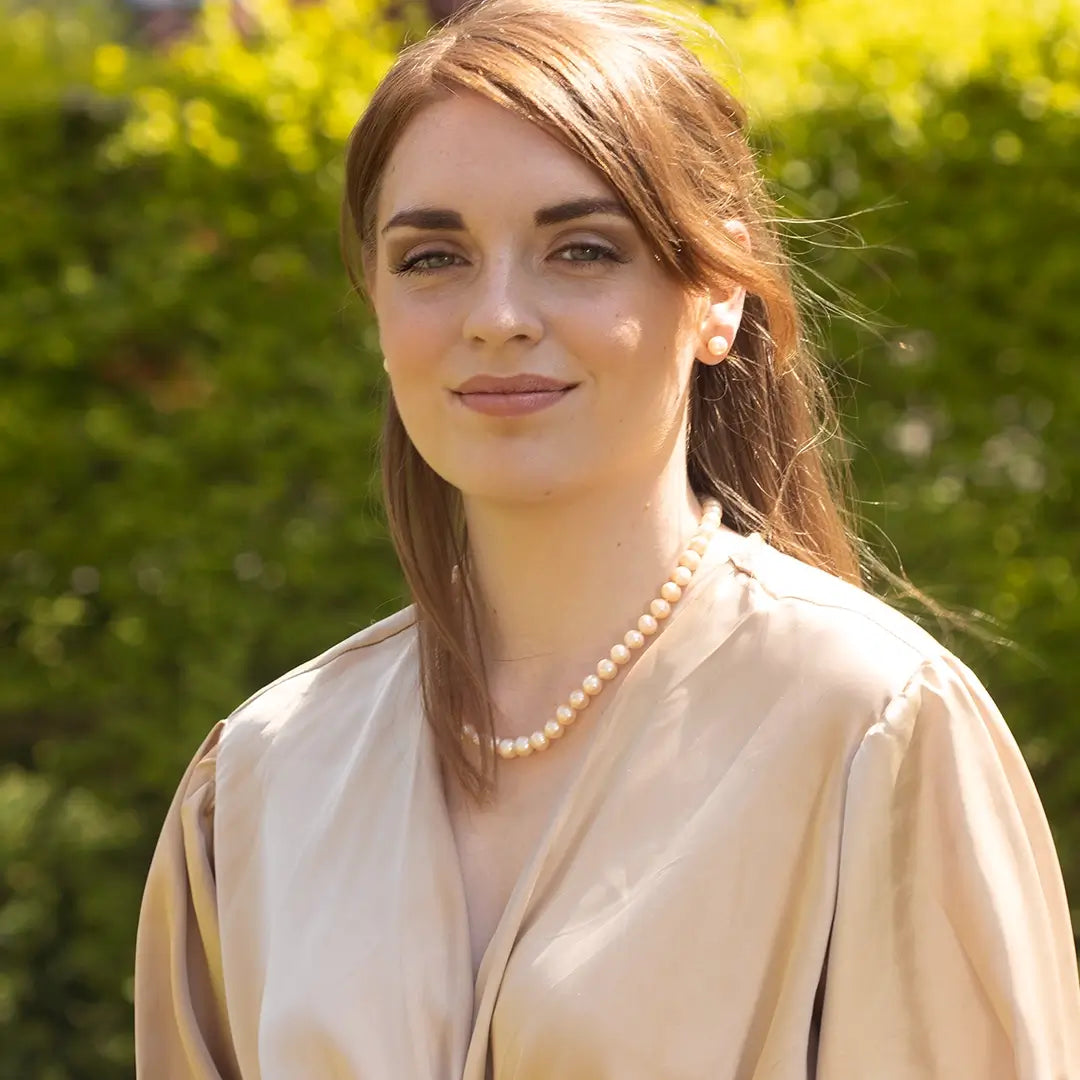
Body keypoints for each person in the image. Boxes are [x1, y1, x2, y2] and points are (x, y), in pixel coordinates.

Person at [133, 0, 1080, 1075]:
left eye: (581, 248)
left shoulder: (875, 728)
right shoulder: (261, 776)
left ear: (717, 296)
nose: (496, 314)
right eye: (432, 258)